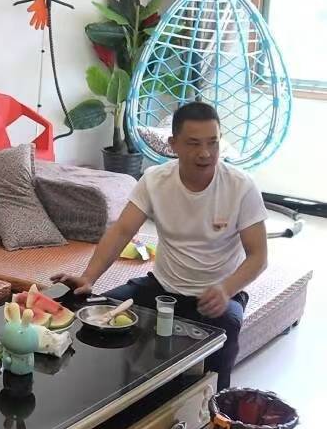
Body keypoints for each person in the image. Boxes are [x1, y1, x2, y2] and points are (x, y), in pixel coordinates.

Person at [53, 102, 268, 390]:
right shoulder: (155, 180)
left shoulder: (241, 186)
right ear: (173, 144)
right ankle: (118, 395)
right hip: (161, 288)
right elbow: (121, 231)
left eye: (213, 142)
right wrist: (89, 277)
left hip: (217, 295)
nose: (205, 153)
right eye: (194, 143)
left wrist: (226, 289)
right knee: (98, 312)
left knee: (227, 328)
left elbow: (258, 256)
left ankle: (216, 405)